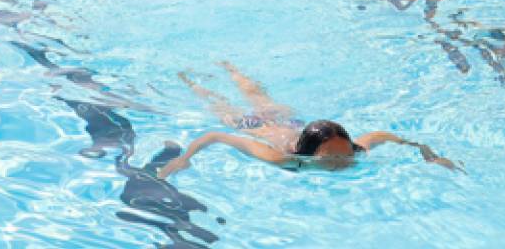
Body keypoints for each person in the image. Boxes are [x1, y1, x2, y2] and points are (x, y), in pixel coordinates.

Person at [158, 62, 456, 177]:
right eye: (331, 158)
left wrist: (429, 155)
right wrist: (184, 158)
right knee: (218, 104)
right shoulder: (279, 158)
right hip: (257, 126)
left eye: (345, 154)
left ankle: (231, 68)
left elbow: (382, 135)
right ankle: (190, 78)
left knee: (258, 95)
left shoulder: (354, 150)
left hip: (287, 120)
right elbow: (217, 136)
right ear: (308, 153)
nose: (342, 162)